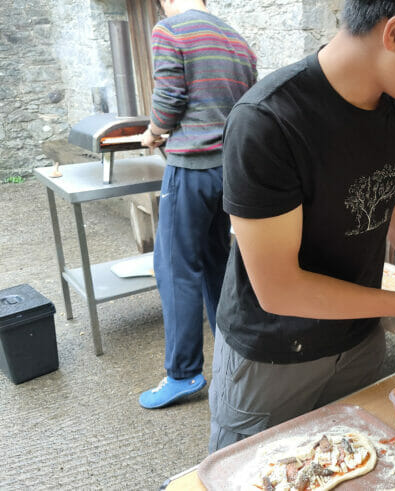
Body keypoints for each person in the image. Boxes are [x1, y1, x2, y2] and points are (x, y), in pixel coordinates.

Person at [209, 0, 395, 452]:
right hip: (274, 358)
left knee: (363, 467)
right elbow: (279, 289)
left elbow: (388, 191)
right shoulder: (268, 122)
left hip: (359, 341)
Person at [139, 0, 257, 409]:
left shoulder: (170, 30)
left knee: (174, 268)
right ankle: (230, 353)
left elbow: (169, 100)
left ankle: (184, 372)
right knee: (215, 264)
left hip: (189, 169)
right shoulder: (239, 43)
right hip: (229, 173)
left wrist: (153, 132)